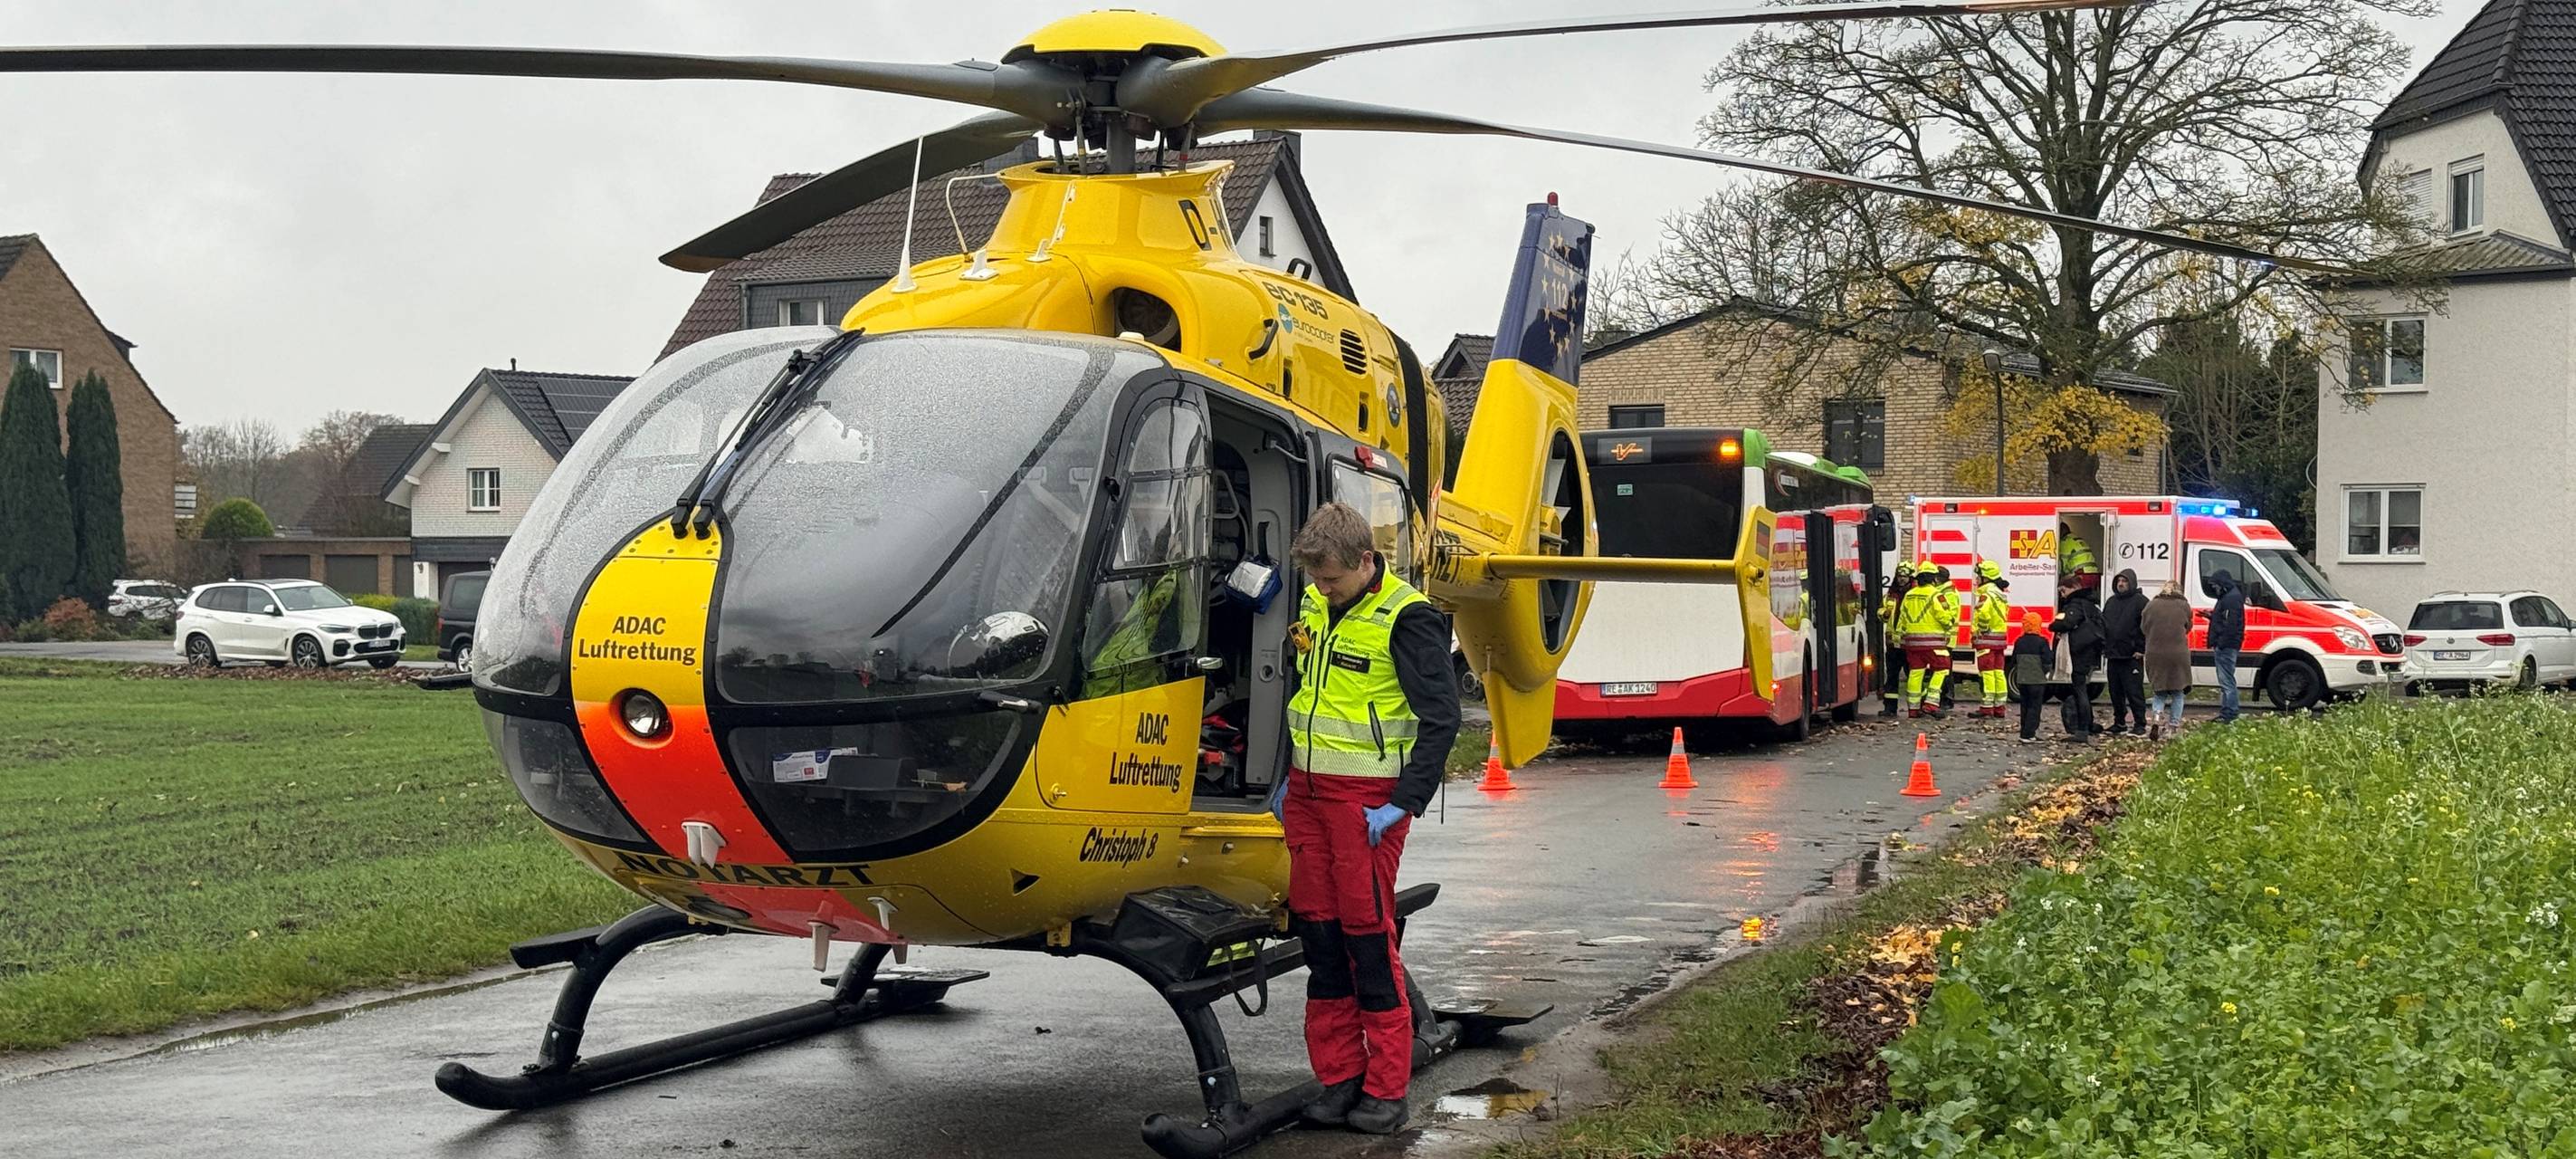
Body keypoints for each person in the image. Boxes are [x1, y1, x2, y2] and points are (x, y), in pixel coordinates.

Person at [1277, 502, 1458, 1135]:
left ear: (1364, 561)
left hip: (1367, 803)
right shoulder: (1312, 602)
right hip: (1307, 795)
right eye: (1315, 578)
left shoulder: (1408, 617)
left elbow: (1442, 719)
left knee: (1367, 941)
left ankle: (1385, 1088)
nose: (1321, 589)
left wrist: (1403, 803)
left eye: (1330, 579)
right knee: (1320, 939)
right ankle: (1340, 1079)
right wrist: (1284, 777)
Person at [1897, 560, 1957, 718]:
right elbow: (1944, 616)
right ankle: (1931, 704)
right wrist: (1950, 622)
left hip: (1912, 643)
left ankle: (1913, 709)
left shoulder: (1909, 595)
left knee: (1916, 673)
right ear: (1933, 578)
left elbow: (1902, 618)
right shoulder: (1936, 595)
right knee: (1942, 668)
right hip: (1933, 643)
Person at [2050, 573, 2104, 741]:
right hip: (2091, 651)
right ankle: (2088, 725)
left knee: (2079, 690)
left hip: (2080, 652)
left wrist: (2054, 625)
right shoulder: (2090, 604)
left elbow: (2066, 622)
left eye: (2063, 590)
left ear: (2073, 588)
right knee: (2083, 690)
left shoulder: (2075, 604)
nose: (2062, 595)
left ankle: (2082, 730)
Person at [2141, 579, 2194, 740]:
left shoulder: (2151, 605)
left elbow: (2143, 628)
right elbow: (2188, 627)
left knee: (2159, 692)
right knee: (2178, 692)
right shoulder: (2183, 605)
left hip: (2155, 653)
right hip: (2178, 654)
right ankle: (2173, 728)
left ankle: (2157, 719)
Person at [2100, 569, 2148, 734]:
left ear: (2132, 582)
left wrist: (2141, 648)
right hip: (2113, 654)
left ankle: (2140, 724)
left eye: (2124, 581)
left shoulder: (2141, 602)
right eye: (2119, 581)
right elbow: (2104, 625)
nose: (2121, 584)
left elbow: (2147, 627)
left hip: (2132, 656)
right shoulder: (2111, 602)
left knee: (2134, 692)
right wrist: (2104, 646)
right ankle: (2119, 722)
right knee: (2115, 692)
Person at [1969, 560, 2012, 718]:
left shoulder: (1986, 595)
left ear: (1986, 578)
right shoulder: (2000, 595)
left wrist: (1981, 629)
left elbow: (1984, 615)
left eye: (1979, 576)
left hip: (1986, 640)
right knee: (1998, 672)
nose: (1976, 580)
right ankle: (1999, 707)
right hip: (1999, 641)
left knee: (1987, 673)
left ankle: (1987, 707)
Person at [2208, 570, 2247, 723]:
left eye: (2215, 585)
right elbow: (2228, 619)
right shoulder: (2231, 596)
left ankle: (2229, 713)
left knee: (2226, 681)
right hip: (2229, 644)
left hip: (2226, 646)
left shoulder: (2230, 598)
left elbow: (2230, 625)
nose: (2214, 588)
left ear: (2222, 584)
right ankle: (2227, 712)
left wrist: (2221, 643)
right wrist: (2213, 616)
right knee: (2227, 680)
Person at [2011, 611, 2053, 742]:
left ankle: (2024, 732)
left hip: (2022, 680)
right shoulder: (2042, 642)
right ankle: (2029, 734)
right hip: (2037, 680)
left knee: (2024, 706)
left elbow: (2014, 660)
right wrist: (2044, 672)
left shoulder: (2019, 641)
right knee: (2034, 707)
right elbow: (2047, 661)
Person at [1878, 570, 1913, 716]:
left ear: (1910, 578)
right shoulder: (1890, 595)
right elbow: (1881, 611)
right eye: (1899, 576)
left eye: (1905, 577)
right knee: (1892, 676)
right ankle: (1890, 708)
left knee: (1913, 676)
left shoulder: (1914, 595)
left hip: (1909, 644)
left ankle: (1917, 707)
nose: (1901, 579)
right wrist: (1884, 614)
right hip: (1892, 644)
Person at [2057, 522, 2101, 590]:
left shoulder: (2065, 542)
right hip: (2094, 574)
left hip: (2082, 575)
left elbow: (2062, 565)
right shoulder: (2076, 538)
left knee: (2061, 584)